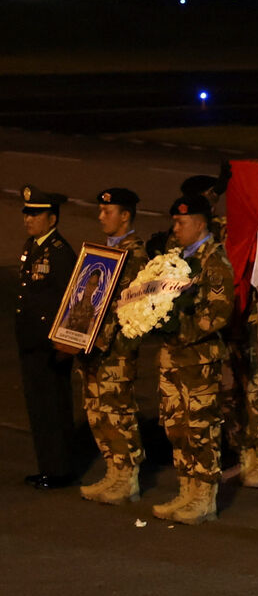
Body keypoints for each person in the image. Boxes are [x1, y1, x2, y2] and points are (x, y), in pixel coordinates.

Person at [149, 195, 235, 525]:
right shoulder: (175, 260)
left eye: (181, 223)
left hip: (198, 360)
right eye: (174, 222)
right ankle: (186, 488)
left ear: (200, 224)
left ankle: (204, 496)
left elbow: (219, 313)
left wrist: (179, 329)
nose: (175, 228)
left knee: (201, 430)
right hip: (172, 358)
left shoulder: (213, 263)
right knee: (176, 427)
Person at [78, 188, 151, 505]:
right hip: (91, 347)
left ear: (125, 216)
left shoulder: (135, 256)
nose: (101, 216)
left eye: (108, 211)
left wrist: (99, 338)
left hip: (115, 350)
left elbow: (130, 309)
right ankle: (112, 469)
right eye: (100, 210)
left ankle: (127, 476)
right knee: (97, 411)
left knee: (117, 410)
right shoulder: (100, 253)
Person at [16, 185, 76, 490]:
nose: (29, 219)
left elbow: (70, 299)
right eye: (27, 212)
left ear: (51, 219)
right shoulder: (34, 245)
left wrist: (66, 342)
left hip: (49, 345)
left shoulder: (59, 253)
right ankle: (48, 466)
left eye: (35, 213)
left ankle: (59, 470)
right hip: (31, 342)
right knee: (39, 407)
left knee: (53, 407)